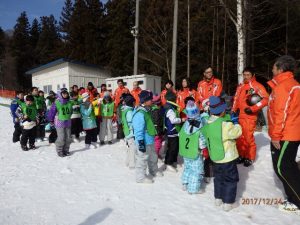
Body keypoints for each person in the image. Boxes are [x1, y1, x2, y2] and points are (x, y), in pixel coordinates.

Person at [267, 55, 300, 214]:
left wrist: (276, 135)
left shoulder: (285, 86)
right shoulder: (284, 85)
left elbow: (281, 113)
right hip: (285, 132)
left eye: (273, 67)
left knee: (284, 168)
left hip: (286, 134)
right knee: (284, 167)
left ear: (280, 69)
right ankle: (293, 198)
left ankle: (298, 202)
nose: (272, 69)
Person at [201, 96, 242, 212]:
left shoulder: (207, 122)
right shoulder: (226, 125)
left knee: (218, 178)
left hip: (215, 158)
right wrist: (236, 123)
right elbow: (237, 133)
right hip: (228, 158)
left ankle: (218, 198)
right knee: (230, 179)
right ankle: (228, 202)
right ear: (223, 111)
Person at [232, 67, 269, 167]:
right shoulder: (241, 86)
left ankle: (250, 157)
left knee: (248, 138)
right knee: (240, 137)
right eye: (244, 75)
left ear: (253, 75)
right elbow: (236, 98)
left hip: (250, 116)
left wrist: (253, 109)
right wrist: (233, 109)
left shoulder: (257, 86)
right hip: (240, 116)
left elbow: (266, 99)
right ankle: (241, 155)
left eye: (248, 75)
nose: (246, 77)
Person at [132, 90, 163, 183]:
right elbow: (138, 130)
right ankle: (140, 177)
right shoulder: (140, 113)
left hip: (150, 139)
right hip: (143, 141)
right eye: (150, 99)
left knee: (153, 156)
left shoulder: (147, 109)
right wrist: (140, 142)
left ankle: (153, 170)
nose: (152, 100)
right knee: (142, 159)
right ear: (144, 101)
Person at [179, 100, 207, 195]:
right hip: (195, 152)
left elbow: (181, 135)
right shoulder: (199, 125)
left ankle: (185, 183)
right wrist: (204, 148)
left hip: (185, 151)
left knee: (187, 167)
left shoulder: (186, 124)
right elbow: (202, 140)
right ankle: (193, 189)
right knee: (196, 170)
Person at [164, 90, 186, 172]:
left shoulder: (171, 107)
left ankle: (173, 161)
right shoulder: (170, 109)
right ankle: (168, 163)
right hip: (171, 131)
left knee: (175, 147)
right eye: (175, 98)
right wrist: (182, 119)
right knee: (172, 148)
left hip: (175, 131)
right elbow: (173, 120)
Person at [48, 88, 73, 157]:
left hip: (67, 122)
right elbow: (52, 112)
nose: (65, 95)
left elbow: (71, 111)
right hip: (59, 123)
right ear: (60, 94)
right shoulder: (57, 102)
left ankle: (66, 150)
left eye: (66, 93)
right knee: (61, 138)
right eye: (63, 93)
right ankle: (59, 150)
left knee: (68, 138)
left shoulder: (70, 102)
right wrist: (51, 120)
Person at [121, 93, 136, 169]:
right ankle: (132, 164)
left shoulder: (125, 109)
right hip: (130, 132)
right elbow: (131, 121)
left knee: (129, 147)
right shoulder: (129, 111)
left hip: (127, 131)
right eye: (134, 102)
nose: (135, 104)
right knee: (132, 148)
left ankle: (127, 161)